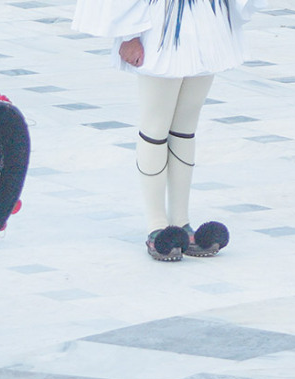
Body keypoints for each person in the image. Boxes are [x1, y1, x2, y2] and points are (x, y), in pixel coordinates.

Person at [72, 0, 265, 261]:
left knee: (186, 126)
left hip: (206, 21)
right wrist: (128, 35)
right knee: (156, 126)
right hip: (158, 23)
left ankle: (181, 222)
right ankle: (156, 227)